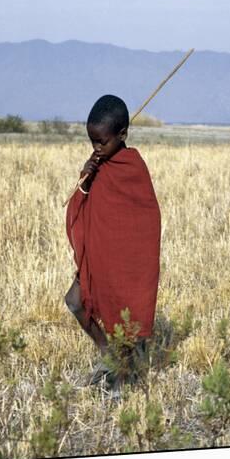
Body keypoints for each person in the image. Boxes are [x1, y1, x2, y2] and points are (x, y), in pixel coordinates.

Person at [65, 94, 161, 391]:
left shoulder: (133, 167)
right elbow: (77, 205)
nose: (96, 148)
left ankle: (122, 379)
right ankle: (106, 353)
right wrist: (86, 173)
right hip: (98, 259)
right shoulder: (97, 165)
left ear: (122, 135)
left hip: (126, 266)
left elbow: (145, 221)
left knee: (124, 321)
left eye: (101, 142)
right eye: (92, 141)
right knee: (75, 302)